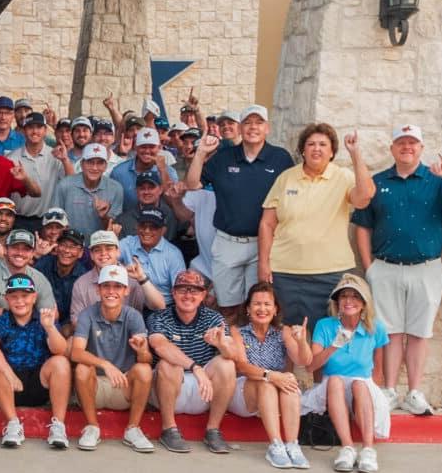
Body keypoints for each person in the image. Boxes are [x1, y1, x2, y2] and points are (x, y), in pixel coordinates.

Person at [353, 123, 442, 417]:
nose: (407, 148)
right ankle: (391, 390)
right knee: (391, 333)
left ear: (421, 147)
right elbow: (362, 226)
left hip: (427, 268)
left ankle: (415, 392)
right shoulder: (378, 181)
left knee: (419, 333)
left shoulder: (436, 182)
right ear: (392, 148)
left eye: (413, 143)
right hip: (385, 267)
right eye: (401, 143)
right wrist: (369, 267)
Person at [260, 124, 375, 325]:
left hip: (331, 274)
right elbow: (267, 224)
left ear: (332, 152)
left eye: (323, 144)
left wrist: (355, 155)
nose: (316, 148)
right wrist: (263, 263)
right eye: (311, 144)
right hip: (286, 273)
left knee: (329, 334)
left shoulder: (343, 176)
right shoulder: (286, 178)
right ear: (303, 150)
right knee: (288, 333)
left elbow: (364, 197)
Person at [183, 104, 294, 311]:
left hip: (265, 244)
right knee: (228, 307)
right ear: (241, 128)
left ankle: (252, 344)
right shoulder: (224, 157)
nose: (253, 127)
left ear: (267, 128)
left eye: (259, 122)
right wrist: (200, 153)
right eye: (248, 123)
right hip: (227, 242)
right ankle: (232, 342)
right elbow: (192, 184)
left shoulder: (281, 158)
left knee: (258, 307)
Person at [144, 268, 239, 454]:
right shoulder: (159, 317)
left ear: (203, 295)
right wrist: (196, 368)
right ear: (173, 293)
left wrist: (222, 345)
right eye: (182, 289)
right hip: (168, 389)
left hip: (203, 392)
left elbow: (233, 353)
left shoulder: (213, 318)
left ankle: (213, 430)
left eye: (194, 290)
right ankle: (168, 429)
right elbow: (160, 345)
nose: (188, 295)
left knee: (226, 364)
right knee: (168, 363)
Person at [220, 282, 313, 469]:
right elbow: (242, 366)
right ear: (248, 308)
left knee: (289, 381)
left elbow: (303, 360)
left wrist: (302, 342)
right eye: (256, 304)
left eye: (267, 304)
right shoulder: (238, 331)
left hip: (276, 389)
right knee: (267, 383)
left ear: (275, 308)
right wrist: (270, 375)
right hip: (244, 390)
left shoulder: (283, 331)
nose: (262, 309)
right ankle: (276, 445)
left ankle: (293, 445)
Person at [305, 274, 390, 473]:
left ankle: (368, 450)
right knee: (335, 380)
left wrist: (375, 394)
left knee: (360, 384)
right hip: (330, 386)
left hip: (363, 387)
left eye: (355, 296)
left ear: (363, 303)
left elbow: (378, 371)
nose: (348, 301)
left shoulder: (376, 327)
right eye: (343, 296)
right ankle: (348, 448)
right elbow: (311, 366)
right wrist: (335, 345)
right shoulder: (325, 325)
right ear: (337, 301)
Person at [68, 264, 155, 452]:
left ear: (126, 290)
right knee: (82, 368)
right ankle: (92, 427)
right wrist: (105, 364)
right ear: (98, 290)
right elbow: (76, 352)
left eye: (117, 287)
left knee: (144, 370)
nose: (111, 291)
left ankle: (133, 429)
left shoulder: (134, 316)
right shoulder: (87, 314)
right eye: (106, 286)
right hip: (94, 387)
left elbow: (147, 360)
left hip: (124, 385)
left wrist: (141, 351)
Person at [0, 274, 72, 448]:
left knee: (60, 362)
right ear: (7, 299)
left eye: (25, 296)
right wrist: (10, 375)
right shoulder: (1, 321)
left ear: (34, 297)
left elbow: (60, 350)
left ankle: (59, 426)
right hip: (9, 386)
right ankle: (13, 424)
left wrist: (50, 328)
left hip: (39, 383)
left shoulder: (44, 319)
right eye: (14, 297)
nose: (20, 301)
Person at [0, 227, 57, 320]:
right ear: (5, 249)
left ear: (32, 253)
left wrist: (27, 318)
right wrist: (7, 314)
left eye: (26, 249)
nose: (20, 253)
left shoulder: (39, 278)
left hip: (26, 329)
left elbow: (54, 314)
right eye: (15, 247)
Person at [68, 229, 165, 318]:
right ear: (91, 255)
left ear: (118, 252)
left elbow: (159, 306)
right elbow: (76, 321)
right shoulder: (81, 284)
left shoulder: (132, 276)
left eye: (109, 248)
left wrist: (142, 279)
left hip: (130, 334)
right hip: (94, 334)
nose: (103, 253)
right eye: (97, 250)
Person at [10, 113, 68, 231]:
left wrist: (65, 160)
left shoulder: (55, 155)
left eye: (39, 127)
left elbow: (72, 181)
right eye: (30, 127)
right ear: (24, 130)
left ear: (45, 130)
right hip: (18, 219)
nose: (35, 131)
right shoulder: (11, 158)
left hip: (47, 221)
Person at [51, 144, 125, 237]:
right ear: (82, 164)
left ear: (105, 166)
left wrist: (104, 217)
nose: (94, 168)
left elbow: (114, 230)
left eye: (99, 163)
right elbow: (55, 222)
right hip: (70, 246)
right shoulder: (64, 185)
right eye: (90, 162)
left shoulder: (115, 188)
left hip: (100, 246)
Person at [120, 209, 188, 305]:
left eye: (153, 227)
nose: (147, 231)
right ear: (137, 227)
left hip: (163, 307)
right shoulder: (127, 243)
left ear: (163, 230)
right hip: (132, 304)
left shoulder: (173, 254)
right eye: (143, 226)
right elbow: (107, 258)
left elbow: (180, 291)